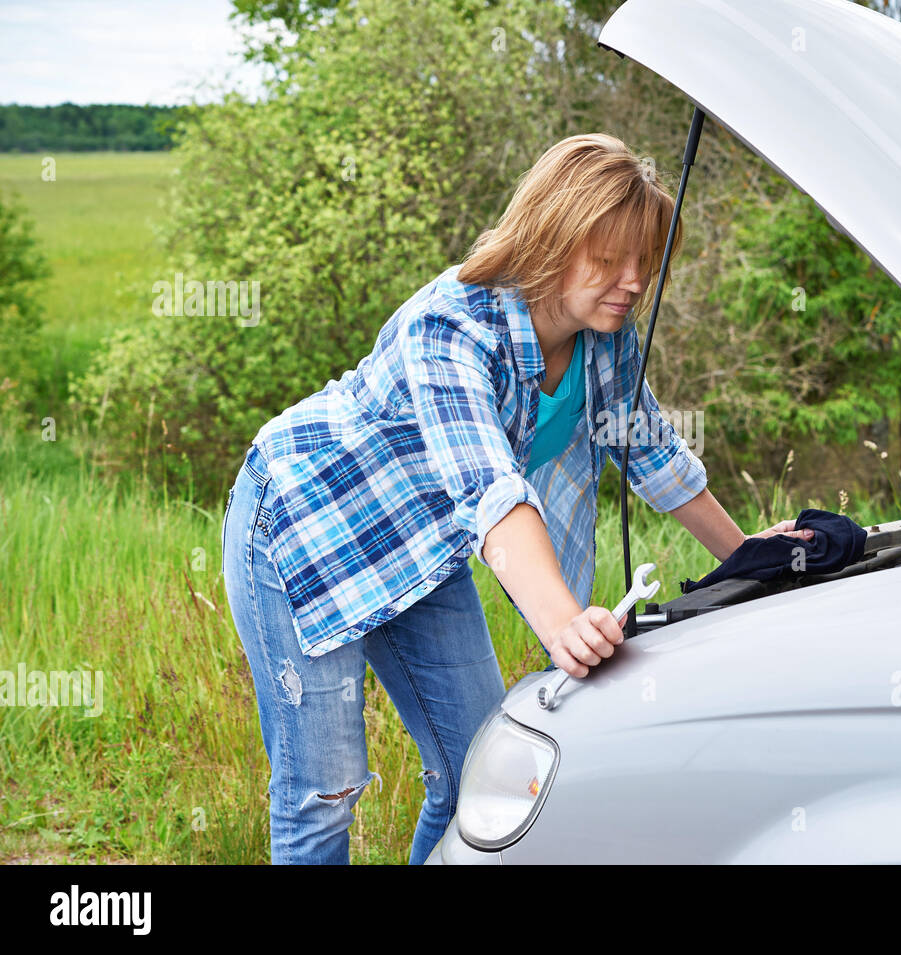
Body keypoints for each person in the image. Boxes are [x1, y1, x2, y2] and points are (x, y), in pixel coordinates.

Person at [220, 132, 812, 865]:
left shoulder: (607, 339)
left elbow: (654, 453)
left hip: (423, 547)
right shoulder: (452, 326)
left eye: (644, 262)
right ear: (551, 238)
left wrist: (753, 557)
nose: (631, 281)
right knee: (324, 791)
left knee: (485, 769)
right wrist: (565, 622)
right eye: (607, 259)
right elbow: (491, 492)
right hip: (304, 526)